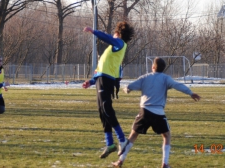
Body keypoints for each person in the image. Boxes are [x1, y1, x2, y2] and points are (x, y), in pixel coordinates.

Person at [112, 57, 201, 168]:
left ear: (153, 67)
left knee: (133, 136)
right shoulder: (166, 79)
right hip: (158, 112)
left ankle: (120, 161)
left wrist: (127, 89)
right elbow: (178, 85)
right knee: (166, 136)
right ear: (163, 69)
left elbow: (129, 86)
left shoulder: (145, 77)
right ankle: (165, 163)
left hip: (144, 111)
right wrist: (190, 93)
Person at [82, 21, 134, 159]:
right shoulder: (112, 49)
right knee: (102, 112)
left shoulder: (120, 43)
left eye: (115, 33)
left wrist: (94, 31)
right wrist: (91, 81)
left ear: (119, 34)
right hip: (101, 79)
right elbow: (102, 69)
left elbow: (107, 38)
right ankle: (110, 144)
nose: (113, 35)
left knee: (106, 109)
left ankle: (122, 140)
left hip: (106, 80)